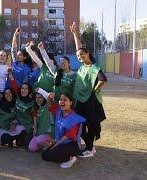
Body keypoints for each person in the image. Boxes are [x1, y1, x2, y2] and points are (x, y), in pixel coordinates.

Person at [70, 22, 107, 157]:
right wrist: (74, 34)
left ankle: (90, 149)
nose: (80, 58)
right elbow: (79, 49)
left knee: (90, 124)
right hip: (81, 100)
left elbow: (103, 79)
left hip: (90, 101)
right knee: (80, 123)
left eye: (83, 56)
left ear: (88, 54)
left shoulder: (93, 67)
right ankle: (90, 146)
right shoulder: (83, 65)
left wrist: (94, 90)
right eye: (79, 57)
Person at [42, 93, 86, 168]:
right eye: (60, 100)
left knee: (49, 155)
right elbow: (49, 103)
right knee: (45, 154)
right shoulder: (58, 111)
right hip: (61, 142)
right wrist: (50, 96)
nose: (62, 102)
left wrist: (54, 146)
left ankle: (72, 157)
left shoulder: (74, 118)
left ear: (71, 103)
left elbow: (67, 137)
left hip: (72, 144)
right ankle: (66, 154)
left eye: (65, 100)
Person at [9, 72, 34, 147]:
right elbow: (14, 85)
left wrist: (34, 127)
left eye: (26, 89)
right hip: (18, 123)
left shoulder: (31, 102)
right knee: (18, 143)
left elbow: (34, 115)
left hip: (27, 127)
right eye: (22, 88)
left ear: (29, 91)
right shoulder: (18, 96)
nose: (23, 90)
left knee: (24, 144)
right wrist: (10, 75)